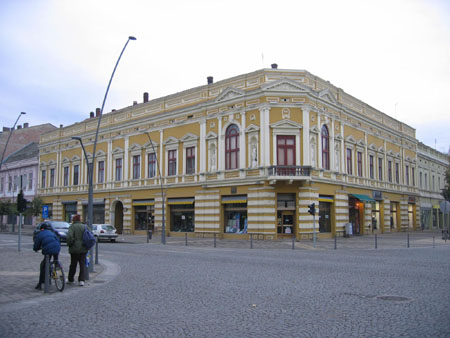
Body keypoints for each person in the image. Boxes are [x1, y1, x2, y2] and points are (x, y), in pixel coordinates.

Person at [33, 223, 61, 290]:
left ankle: (40, 284)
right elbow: (57, 240)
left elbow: (36, 245)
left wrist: (36, 249)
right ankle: (58, 270)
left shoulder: (40, 234)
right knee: (56, 261)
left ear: (41, 229)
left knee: (43, 265)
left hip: (48, 250)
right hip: (57, 247)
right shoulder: (51, 232)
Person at [66, 214, 88, 286]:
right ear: (80, 219)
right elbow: (90, 234)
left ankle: (70, 279)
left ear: (74, 220)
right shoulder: (84, 226)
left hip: (74, 249)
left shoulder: (72, 227)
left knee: (73, 264)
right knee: (82, 265)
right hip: (83, 249)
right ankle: (81, 280)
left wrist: (70, 244)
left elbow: (69, 237)